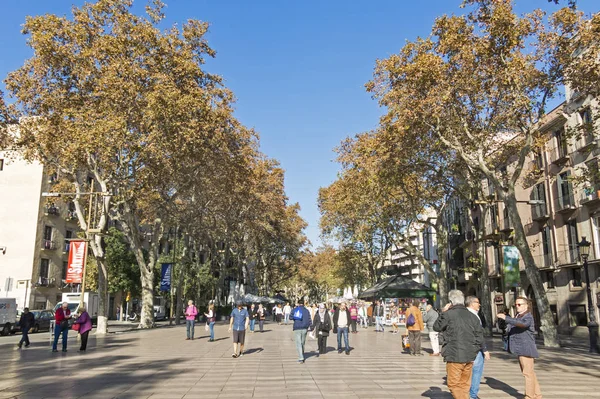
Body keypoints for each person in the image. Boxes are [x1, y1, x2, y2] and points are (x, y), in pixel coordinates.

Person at [434, 290, 483, 399]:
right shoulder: (473, 316)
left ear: (451, 302)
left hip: (454, 355)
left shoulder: (448, 314)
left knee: (453, 383)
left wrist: (443, 311)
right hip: (469, 356)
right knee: (464, 384)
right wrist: (474, 351)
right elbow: (480, 337)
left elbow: (436, 327)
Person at [497, 297, 542, 399]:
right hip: (520, 349)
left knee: (528, 374)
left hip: (526, 348)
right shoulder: (518, 316)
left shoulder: (528, 316)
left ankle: (530, 396)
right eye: (516, 305)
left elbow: (523, 324)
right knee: (530, 373)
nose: (517, 306)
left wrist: (506, 318)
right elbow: (511, 328)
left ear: (526, 305)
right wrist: (504, 326)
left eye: (519, 304)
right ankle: (537, 395)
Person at [466, 296, 491, 399]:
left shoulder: (463, 314)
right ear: (472, 303)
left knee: (468, 371)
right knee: (477, 370)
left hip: (465, 347)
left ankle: (466, 393)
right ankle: (473, 395)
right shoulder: (474, 316)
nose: (479, 304)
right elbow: (478, 334)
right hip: (476, 347)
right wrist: (484, 349)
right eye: (477, 302)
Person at [292, 298, 312, 363]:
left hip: (297, 327)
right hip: (305, 328)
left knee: (298, 343)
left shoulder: (295, 310)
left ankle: (301, 358)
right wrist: (311, 327)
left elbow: (290, 317)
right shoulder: (307, 311)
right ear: (303, 303)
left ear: (298, 303)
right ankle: (302, 354)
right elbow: (309, 319)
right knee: (303, 342)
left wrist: (295, 318)